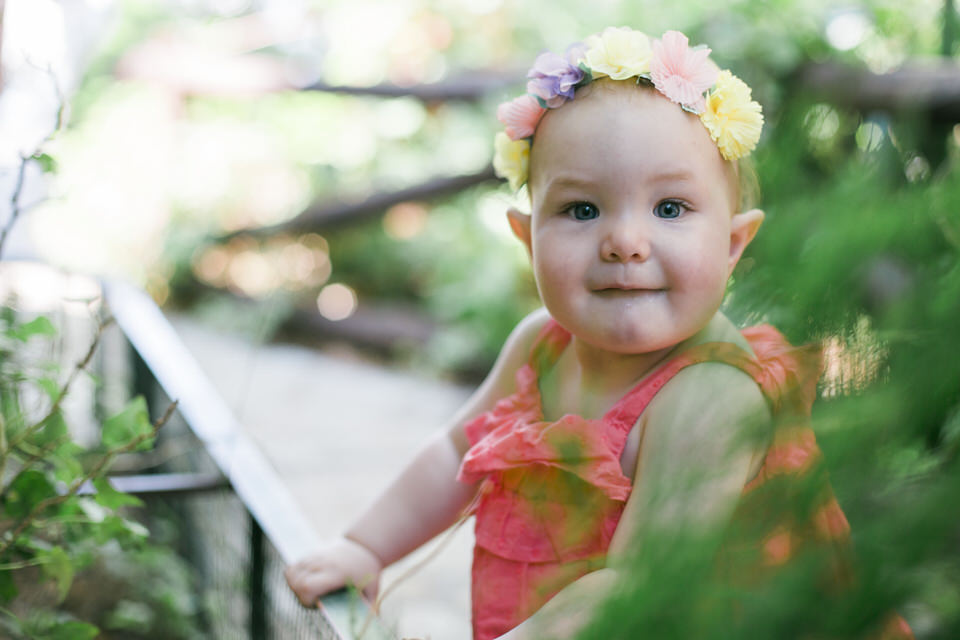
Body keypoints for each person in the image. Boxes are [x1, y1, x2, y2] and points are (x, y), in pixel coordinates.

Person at [285, 27, 914, 640]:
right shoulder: (541, 345)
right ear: (528, 238)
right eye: (581, 209)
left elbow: (636, 587)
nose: (624, 243)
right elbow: (455, 454)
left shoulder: (713, 396)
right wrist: (364, 546)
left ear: (731, 244)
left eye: (669, 209)